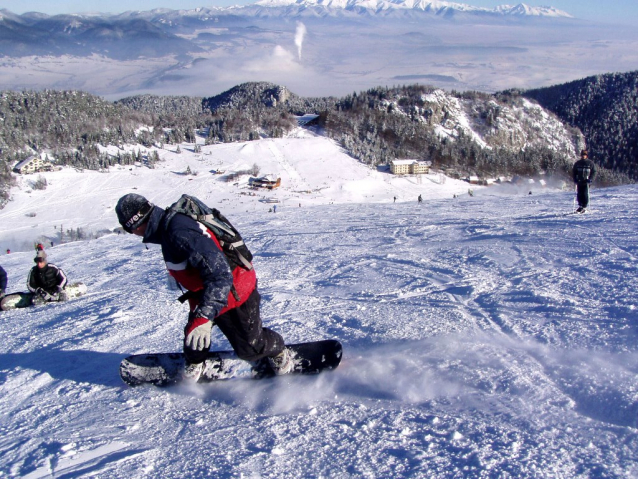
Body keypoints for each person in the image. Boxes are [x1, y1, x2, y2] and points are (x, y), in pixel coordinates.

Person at [115, 193, 293, 380]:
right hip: (206, 292)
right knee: (194, 338)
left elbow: (220, 274)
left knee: (251, 347)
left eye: (129, 230)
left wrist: (205, 315)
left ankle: (278, 351)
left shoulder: (178, 231)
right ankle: (195, 361)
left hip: (234, 292)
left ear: (136, 224)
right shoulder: (167, 228)